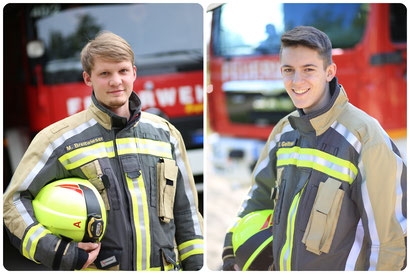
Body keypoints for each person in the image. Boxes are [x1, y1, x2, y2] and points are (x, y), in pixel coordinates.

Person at [3, 31, 204, 271]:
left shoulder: (166, 134)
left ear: (134, 72)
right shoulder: (58, 140)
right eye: (104, 73)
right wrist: (59, 252)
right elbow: (12, 203)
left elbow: (187, 211)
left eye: (123, 71)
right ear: (88, 78)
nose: (116, 81)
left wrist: (197, 266)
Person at [222, 26, 406, 270]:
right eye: (289, 70)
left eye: (308, 69)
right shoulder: (283, 133)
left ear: (329, 72)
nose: (297, 81)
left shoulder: (364, 138)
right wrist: (230, 251)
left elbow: (389, 243)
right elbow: (256, 200)